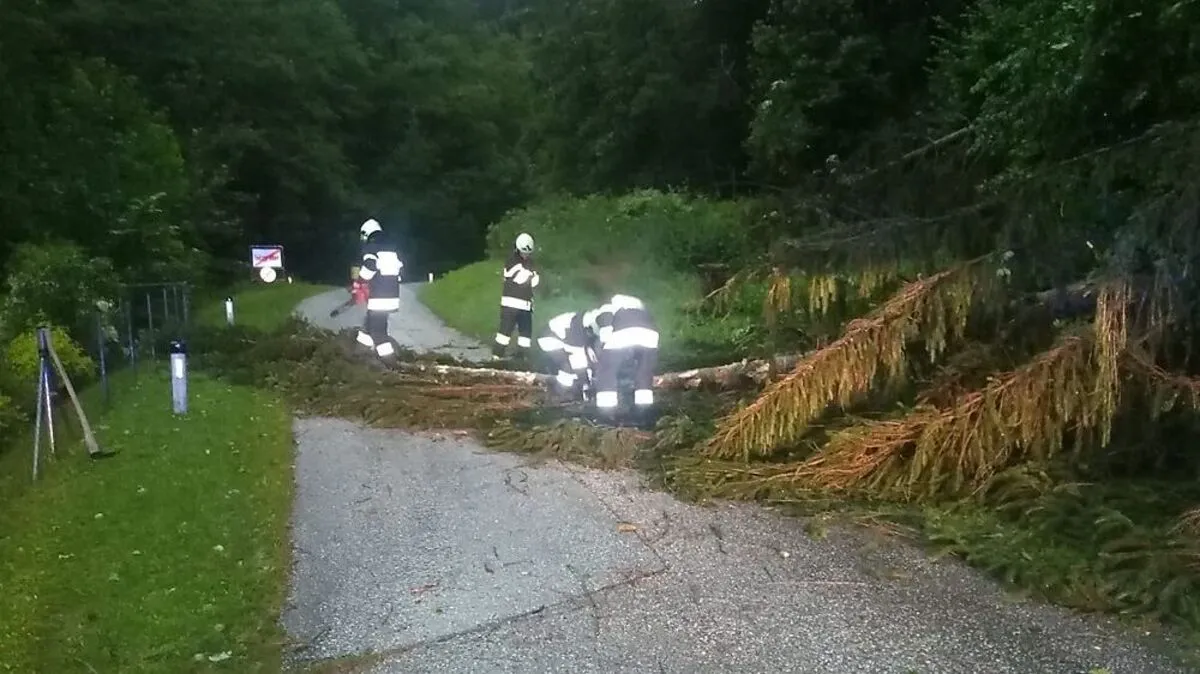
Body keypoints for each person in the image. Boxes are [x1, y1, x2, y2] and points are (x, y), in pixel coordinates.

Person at [583, 294, 659, 419]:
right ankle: (644, 411)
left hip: (623, 330)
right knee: (643, 372)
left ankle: (606, 413)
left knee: (606, 371)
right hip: (651, 333)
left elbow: (605, 322)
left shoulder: (602, 308)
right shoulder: (635, 303)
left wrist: (603, 345)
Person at [355, 218, 404, 358]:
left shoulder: (371, 248)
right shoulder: (391, 249)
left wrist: (361, 280)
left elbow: (370, 265)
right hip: (392, 295)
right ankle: (360, 353)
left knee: (378, 332)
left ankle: (390, 361)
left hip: (379, 297)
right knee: (369, 324)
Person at [494, 232, 539, 360]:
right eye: (524, 252)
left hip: (525, 306)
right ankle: (496, 358)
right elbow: (518, 277)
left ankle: (520, 361)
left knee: (525, 336)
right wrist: (531, 276)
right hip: (511, 305)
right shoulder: (512, 262)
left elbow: (535, 283)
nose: (526, 255)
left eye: (528, 253)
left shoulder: (530, 263)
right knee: (504, 334)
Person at [536, 310, 597, 401]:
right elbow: (577, 358)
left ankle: (565, 391)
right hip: (549, 339)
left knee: (574, 367)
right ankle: (559, 393)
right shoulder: (576, 329)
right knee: (567, 367)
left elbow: (587, 345)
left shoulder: (585, 321)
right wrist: (585, 381)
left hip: (560, 338)